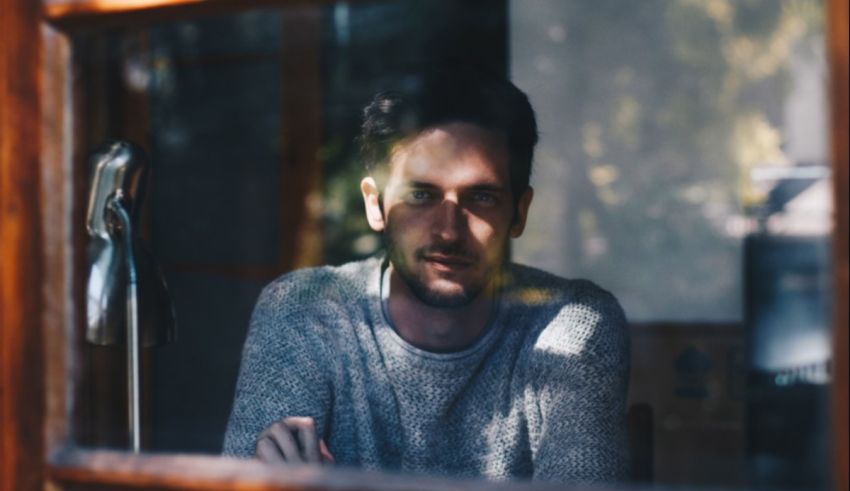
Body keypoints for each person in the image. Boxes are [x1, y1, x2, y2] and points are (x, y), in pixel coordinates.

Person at [222, 69, 630, 483]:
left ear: (519, 212)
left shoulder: (568, 322)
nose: (449, 231)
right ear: (375, 205)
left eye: (481, 197)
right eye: (420, 195)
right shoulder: (304, 309)